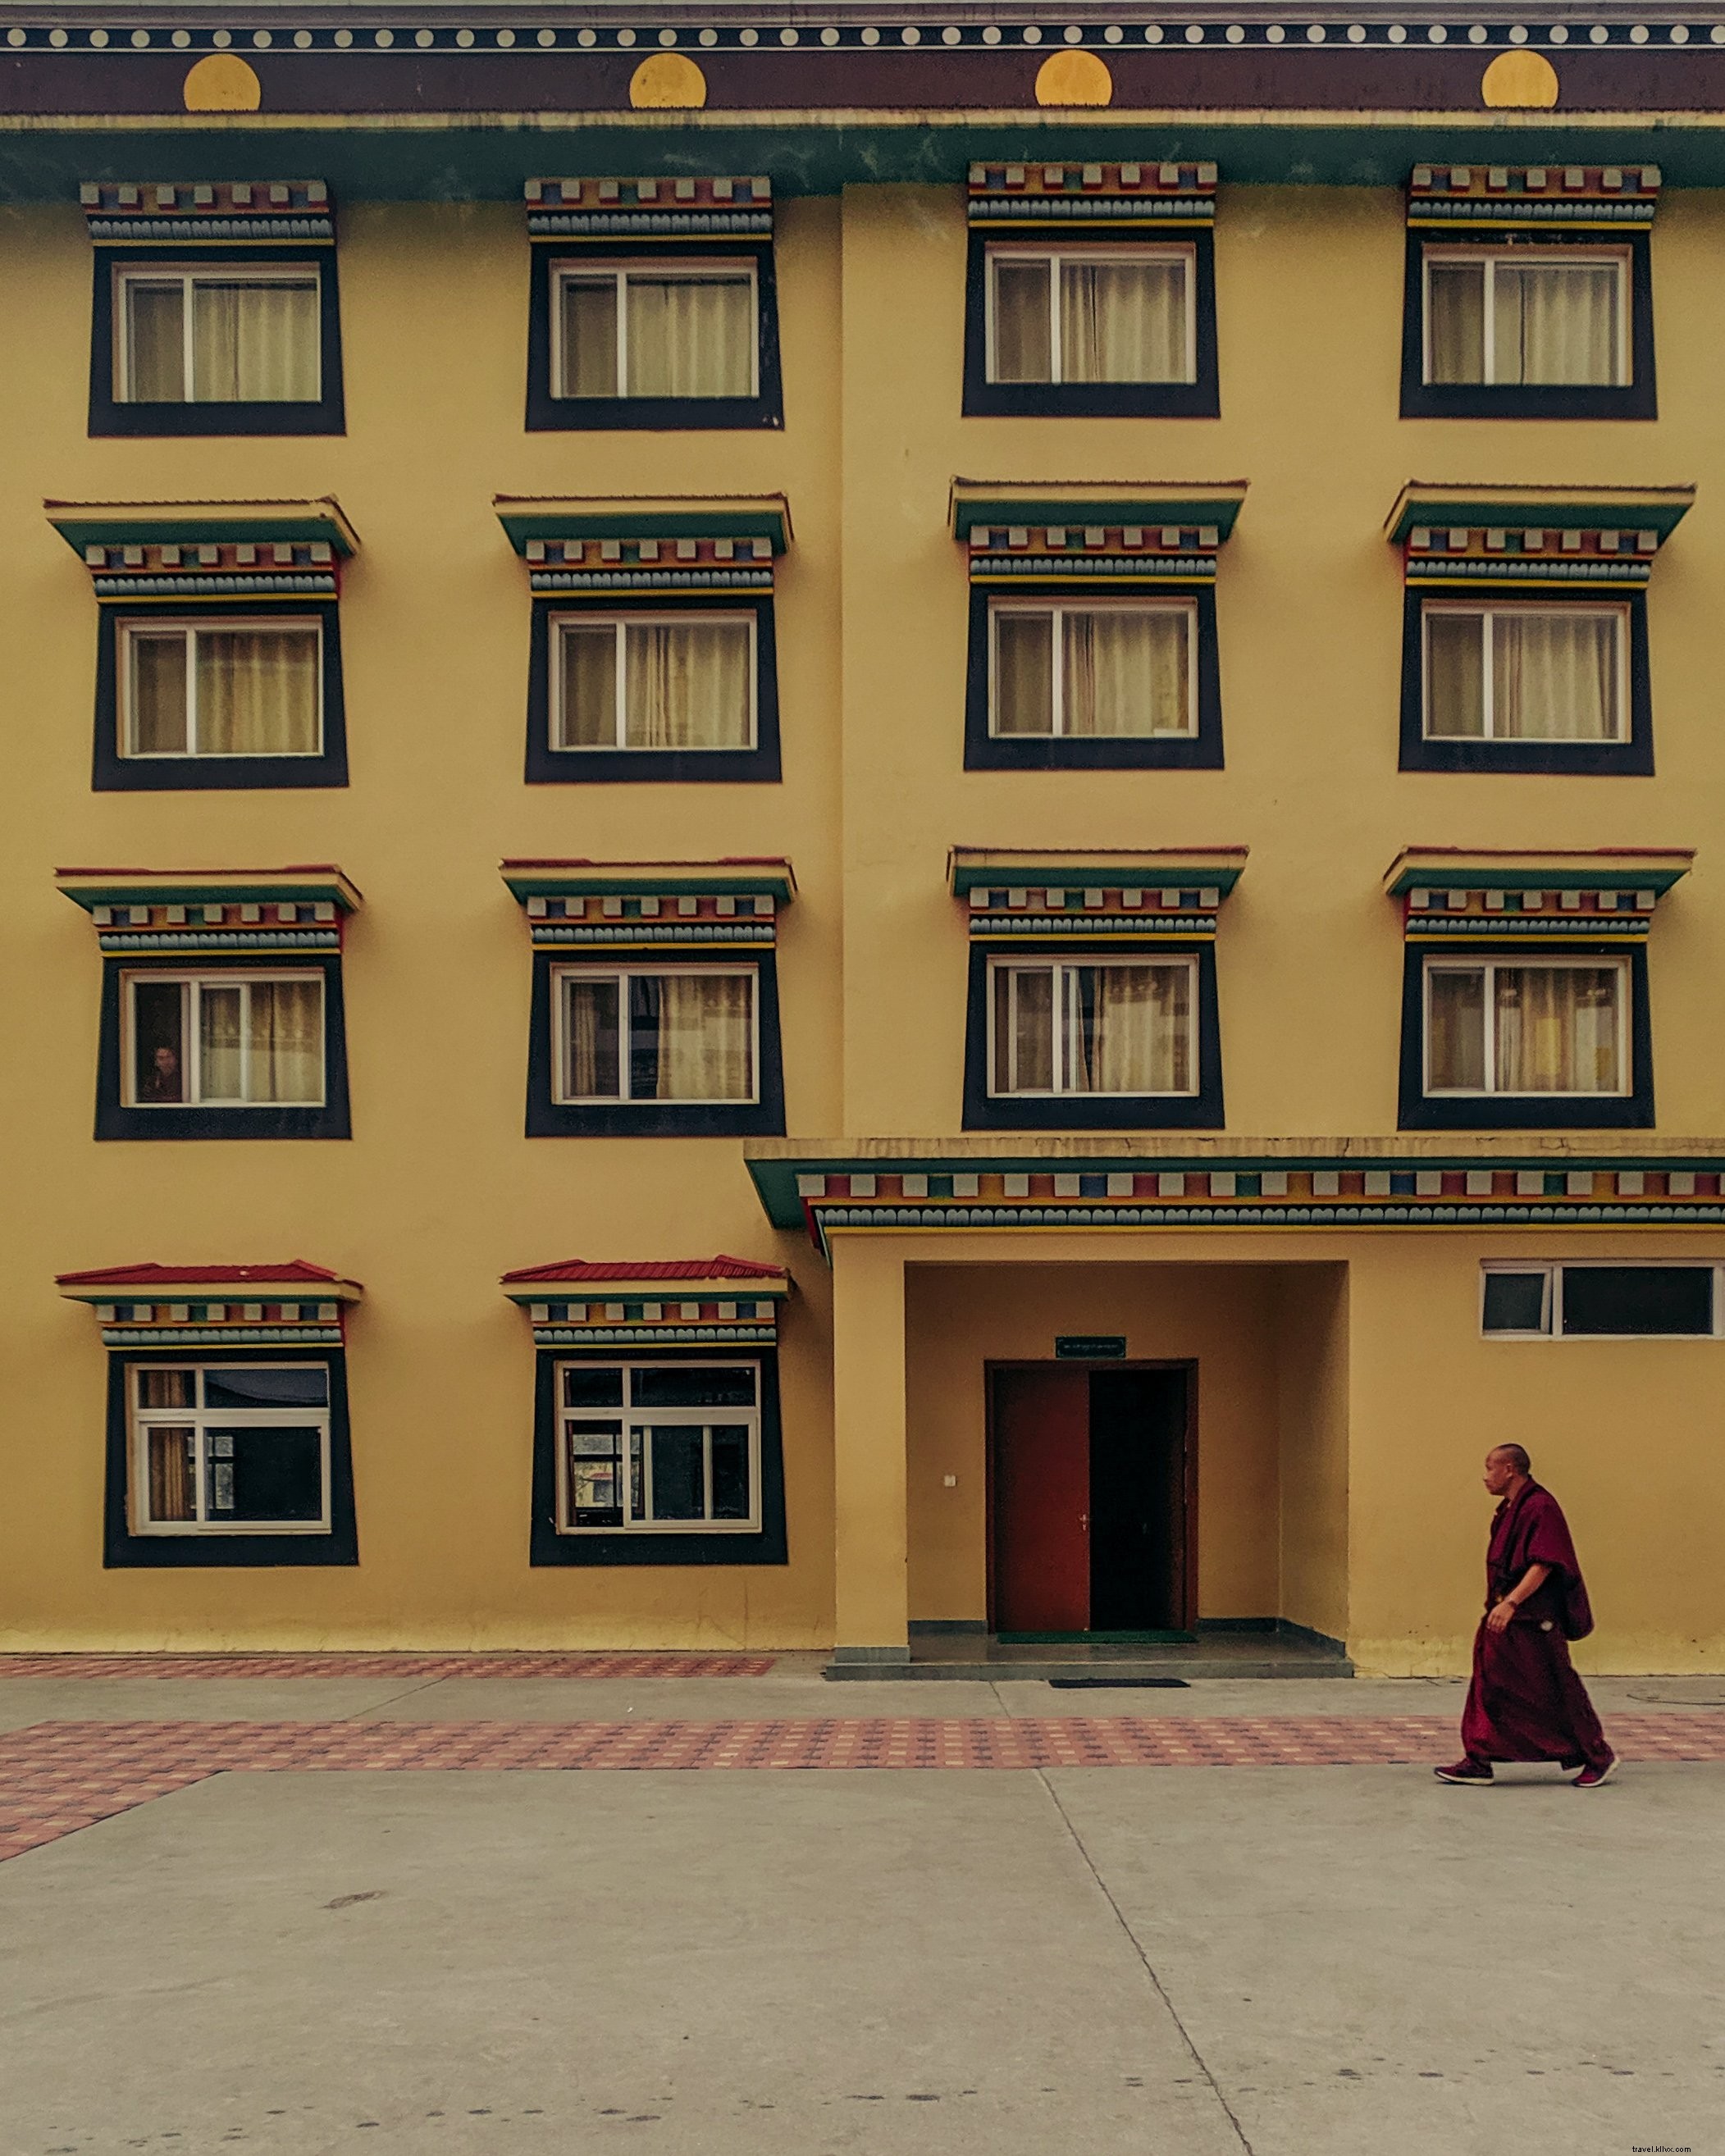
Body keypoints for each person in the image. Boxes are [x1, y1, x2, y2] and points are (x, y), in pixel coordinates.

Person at [1435, 1444, 1617, 1789]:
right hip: (1507, 1617)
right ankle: (1479, 1758)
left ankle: (1597, 1755)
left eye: (1490, 1468)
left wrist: (1512, 1603)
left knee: (1555, 1686)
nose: (1485, 1476)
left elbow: (1545, 1562)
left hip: (1534, 1620)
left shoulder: (1540, 1507)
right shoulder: (1510, 1509)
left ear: (1509, 1469)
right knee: (1490, 1685)